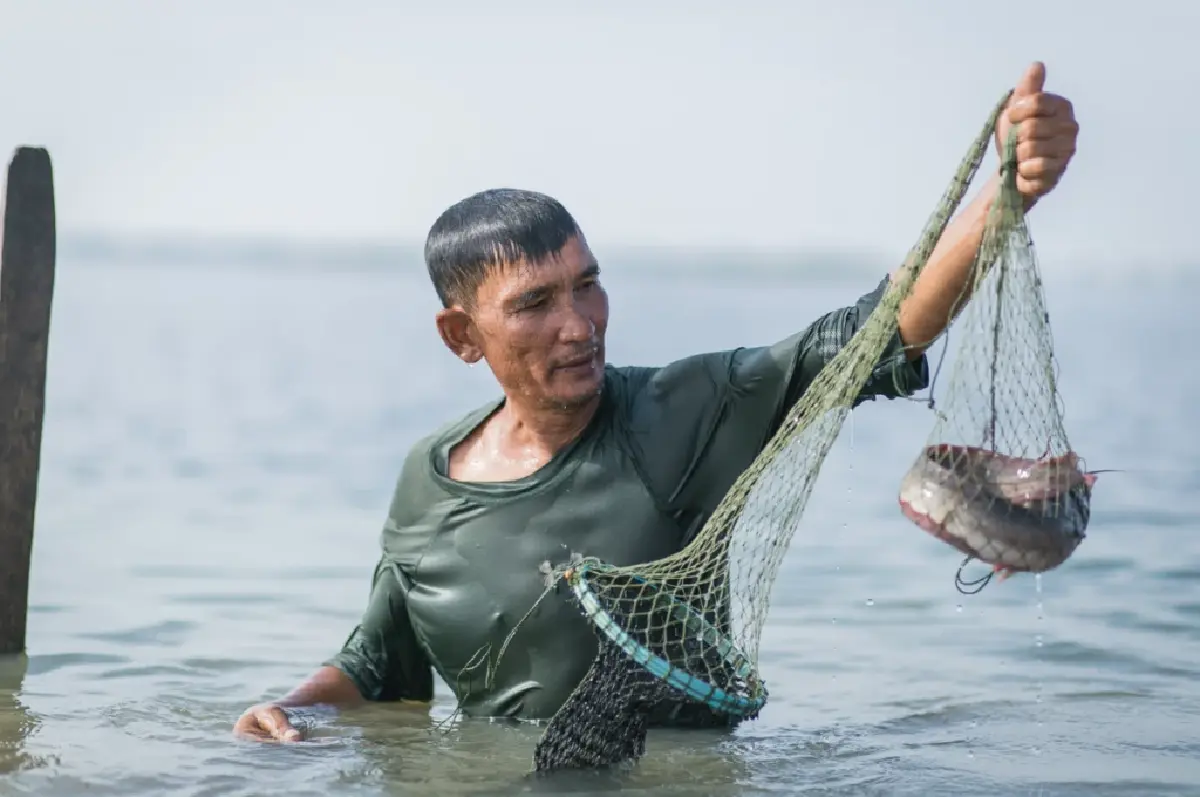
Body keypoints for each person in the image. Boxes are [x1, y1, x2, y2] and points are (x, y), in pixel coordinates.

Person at [234, 61, 1079, 742]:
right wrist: (288, 712)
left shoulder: (683, 411)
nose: (579, 325)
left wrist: (1006, 195)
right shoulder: (428, 479)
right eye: (536, 304)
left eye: (588, 285)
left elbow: (867, 338)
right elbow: (378, 668)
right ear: (462, 336)